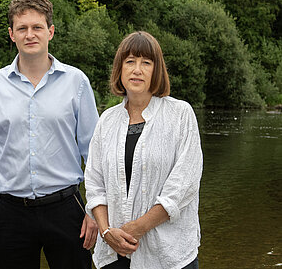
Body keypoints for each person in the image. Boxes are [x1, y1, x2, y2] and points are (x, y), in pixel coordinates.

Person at [0, 0, 99, 269]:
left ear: (51, 31)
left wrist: (94, 210)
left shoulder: (77, 82)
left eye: (37, 27)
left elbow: (94, 153)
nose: (29, 34)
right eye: (22, 28)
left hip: (67, 208)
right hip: (10, 212)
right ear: (12, 34)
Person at [84, 31, 202, 269]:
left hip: (168, 255)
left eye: (146, 63)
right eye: (130, 62)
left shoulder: (180, 114)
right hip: (114, 253)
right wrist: (106, 232)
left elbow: (183, 186)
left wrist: (137, 228)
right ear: (120, 69)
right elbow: (95, 184)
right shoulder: (107, 120)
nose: (137, 70)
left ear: (156, 71)